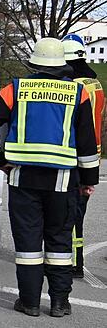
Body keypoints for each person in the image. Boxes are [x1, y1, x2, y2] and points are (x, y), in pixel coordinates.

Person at [0, 38, 99, 318]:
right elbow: (86, 141)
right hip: (62, 180)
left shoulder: (16, 89)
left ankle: (30, 302)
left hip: (22, 177)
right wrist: (88, 179)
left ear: (34, 64)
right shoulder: (78, 93)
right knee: (59, 242)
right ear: (62, 65)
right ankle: (59, 303)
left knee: (28, 244)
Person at [62, 34, 104, 278]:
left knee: (70, 212)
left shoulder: (76, 87)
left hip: (77, 154)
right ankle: (75, 259)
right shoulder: (95, 83)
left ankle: (71, 262)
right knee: (78, 213)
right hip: (92, 155)